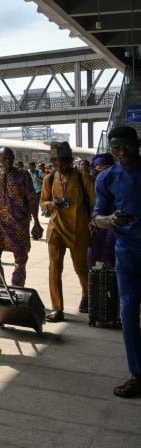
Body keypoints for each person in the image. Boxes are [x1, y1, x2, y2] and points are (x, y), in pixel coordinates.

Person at [92, 126, 141, 398]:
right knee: (128, 310)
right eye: (115, 147)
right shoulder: (107, 179)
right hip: (128, 253)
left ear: (138, 143)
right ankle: (137, 373)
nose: (122, 151)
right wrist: (111, 220)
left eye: (126, 145)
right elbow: (95, 219)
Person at [40, 142, 94, 322]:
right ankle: (57, 308)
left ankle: (88, 296)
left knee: (80, 268)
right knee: (54, 267)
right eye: (55, 160)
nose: (58, 164)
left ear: (69, 160)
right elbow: (43, 202)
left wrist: (94, 222)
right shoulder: (49, 179)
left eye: (62, 160)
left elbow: (95, 202)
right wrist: (50, 205)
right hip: (56, 228)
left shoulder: (82, 177)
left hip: (79, 228)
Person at [0, 147, 37, 287]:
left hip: (18, 223)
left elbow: (31, 198)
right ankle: (1, 286)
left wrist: (36, 222)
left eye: (10, 158)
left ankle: (17, 288)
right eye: (4, 158)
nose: (8, 161)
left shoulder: (23, 175)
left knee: (20, 260)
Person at [27, 161, 45, 239]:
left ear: (35, 166)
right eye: (30, 167)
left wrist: (38, 179)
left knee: (35, 210)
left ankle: (36, 230)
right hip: (29, 192)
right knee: (31, 211)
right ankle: (37, 229)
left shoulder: (39, 172)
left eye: (33, 167)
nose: (31, 168)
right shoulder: (27, 172)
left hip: (37, 192)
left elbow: (44, 181)